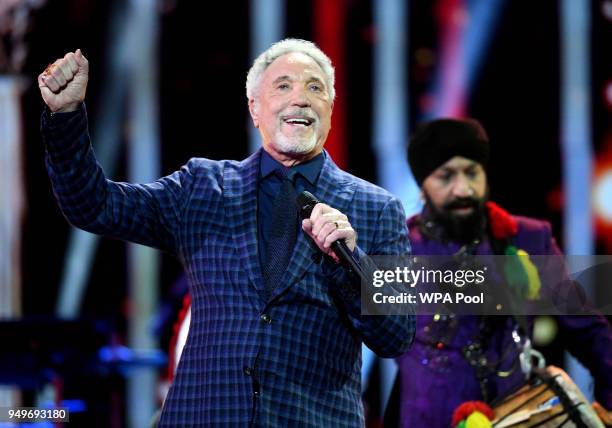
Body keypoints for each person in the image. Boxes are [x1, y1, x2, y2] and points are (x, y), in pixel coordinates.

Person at [38, 39, 415, 426]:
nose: (300, 98)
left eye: (315, 87)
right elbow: (95, 206)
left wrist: (353, 264)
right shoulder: (204, 186)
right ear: (255, 108)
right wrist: (66, 116)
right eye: (282, 85)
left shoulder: (375, 207)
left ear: (330, 110)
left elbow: (396, 335)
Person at [394, 118, 612, 427]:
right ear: (422, 184)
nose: (463, 189)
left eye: (472, 172)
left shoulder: (526, 239)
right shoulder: (398, 247)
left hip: (518, 418)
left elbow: (588, 329)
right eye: (445, 176)